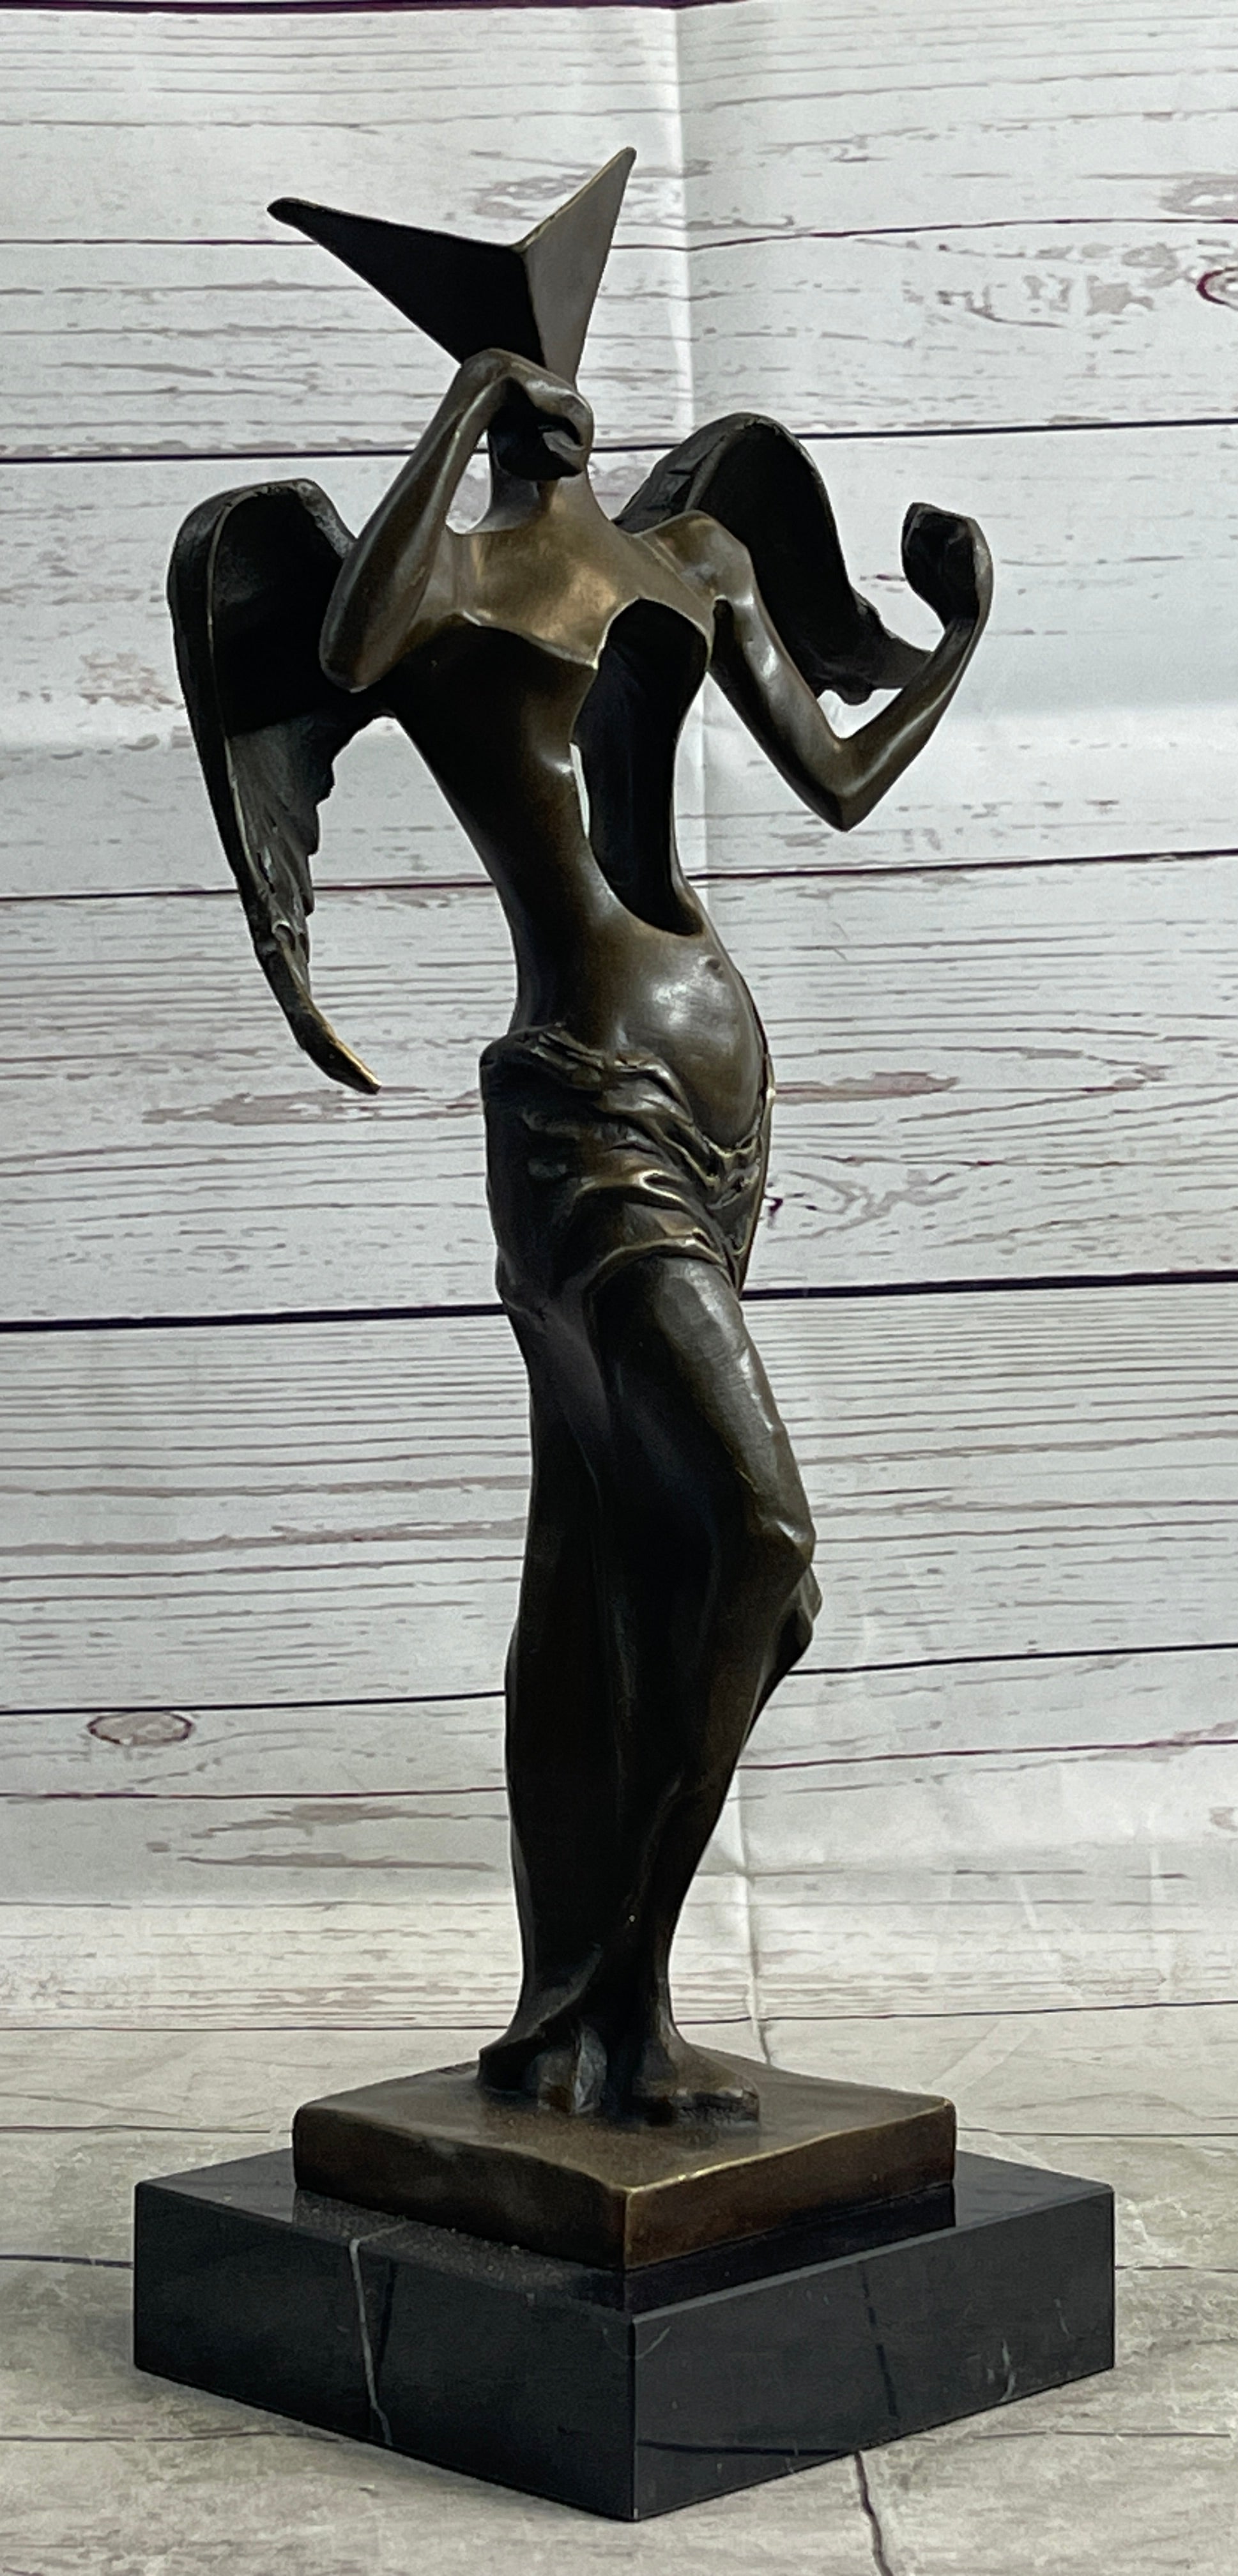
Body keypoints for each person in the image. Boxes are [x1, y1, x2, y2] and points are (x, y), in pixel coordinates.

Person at [309, 344, 993, 2120]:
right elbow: (347, 647)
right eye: (511, 351)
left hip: (722, 1112)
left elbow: (837, 777)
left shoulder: (691, 556)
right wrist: (464, 405)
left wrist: (958, 638)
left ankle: (589, 2021)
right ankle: (612, 1993)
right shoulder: (446, 592)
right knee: (761, 1548)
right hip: (584, 1107)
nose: (555, 374)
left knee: (609, 1547)